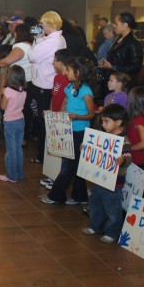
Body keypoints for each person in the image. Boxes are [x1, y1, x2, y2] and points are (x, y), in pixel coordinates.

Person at [40, 57, 96, 205]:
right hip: (69, 130)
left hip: (80, 132)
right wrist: (55, 115)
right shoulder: (70, 87)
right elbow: (65, 105)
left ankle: (56, 195)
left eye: (69, 71)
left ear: (77, 73)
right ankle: (80, 196)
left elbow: (91, 114)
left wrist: (77, 116)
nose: (66, 74)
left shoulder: (86, 91)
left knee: (68, 165)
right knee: (76, 164)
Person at [83, 104, 132, 244]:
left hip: (114, 182)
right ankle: (96, 226)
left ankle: (112, 231)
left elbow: (128, 159)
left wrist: (122, 160)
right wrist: (86, 148)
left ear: (118, 122)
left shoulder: (124, 140)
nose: (103, 125)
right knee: (96, 205)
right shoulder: (103, 136)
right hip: (99, 179)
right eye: (103, 121)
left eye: (106, 121)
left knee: (112, 209)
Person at [27, 11, 67, 164]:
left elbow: (32, 56)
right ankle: (45, 154)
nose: (40, 26)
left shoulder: (52, 41)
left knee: (45, 121)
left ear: (49, 24)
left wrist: (37, 42)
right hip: (48, 82)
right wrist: (39, 40)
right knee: (45, 120)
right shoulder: (56, 38)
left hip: (45, 84)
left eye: (43, 23)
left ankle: (43, 155)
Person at [39, 48, 71, 190]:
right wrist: (51, 112)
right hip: (55, 117)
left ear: (61, 62)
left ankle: (57, 178)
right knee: (52, 147)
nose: (53, 62)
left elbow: (66, 98)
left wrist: (59, 115)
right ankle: (52, 176)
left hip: (62, 119)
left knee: (61, 150)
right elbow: (54, 95)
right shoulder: (57, 77)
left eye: (55, 60)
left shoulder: (68, 78)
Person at [99, 12, 144, 89]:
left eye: (116, 23)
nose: (114, 26)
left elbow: (135, 67)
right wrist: (106, 63)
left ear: (125, 25)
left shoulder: (134, 43)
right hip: (112, 79)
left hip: (123, 84)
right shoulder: (117, 38)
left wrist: (112, 67)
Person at [0, 65, 27, 183]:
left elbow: (3, 106)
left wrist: (2, 95)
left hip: (10, 123)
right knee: (18, 149)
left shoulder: (8, 91)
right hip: (20, 121)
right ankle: (20, 173)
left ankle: (12, 176)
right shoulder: (23, 91)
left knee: (11, 150)